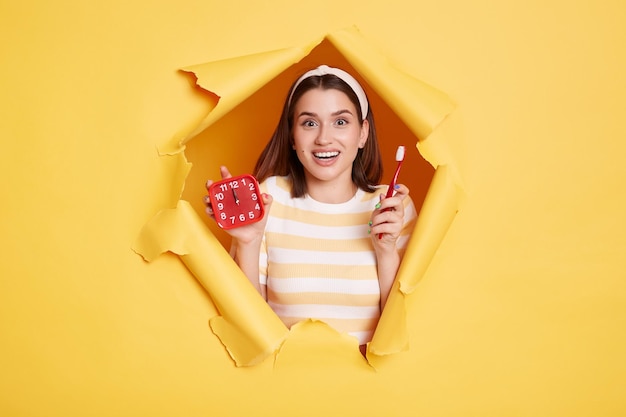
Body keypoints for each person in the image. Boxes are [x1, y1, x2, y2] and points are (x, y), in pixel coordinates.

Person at [204, 65, 417, 348]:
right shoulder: (269, 197)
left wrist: (386, 252)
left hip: (369, 385)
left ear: (363, 133)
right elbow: (248, 327)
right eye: (309, 123)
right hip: (282, 382)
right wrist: (249, 242)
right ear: (292, 136)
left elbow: (403, 327)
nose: (324, 138)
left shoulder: (391, 207)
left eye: (340, 122)